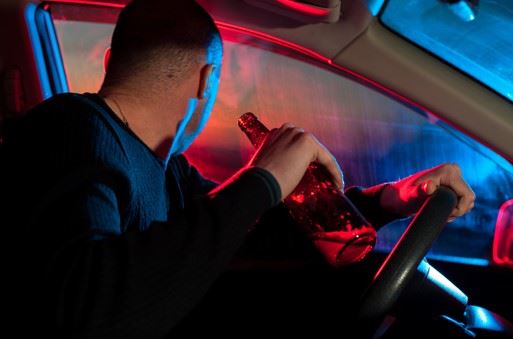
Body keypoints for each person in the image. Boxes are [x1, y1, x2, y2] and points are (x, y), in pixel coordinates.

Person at [0, 0, 475, 338]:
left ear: (110, 61)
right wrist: (262, 178)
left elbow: (244, 233)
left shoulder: (169, 172)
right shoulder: (70, 129)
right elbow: (88, 307)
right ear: (207, 79)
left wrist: (391, 198)